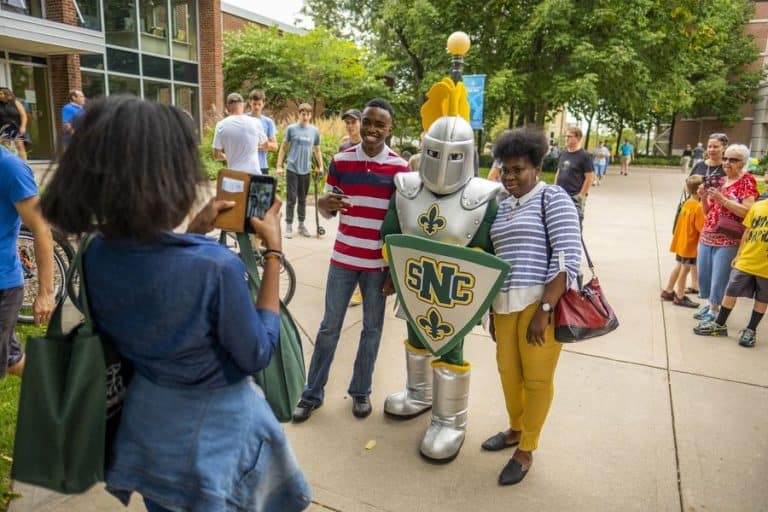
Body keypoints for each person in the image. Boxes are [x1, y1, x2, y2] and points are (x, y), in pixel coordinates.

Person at [41, 96, 310, 512]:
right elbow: (256, 351)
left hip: (149, 431)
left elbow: (156, 285)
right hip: (217, 441)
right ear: (165, 174)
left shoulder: (95, 254)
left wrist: (195, 232)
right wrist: (273, 253)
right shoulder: (214, 267)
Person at [379, 80, 500, 463]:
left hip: (455, 294)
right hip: (414, 286)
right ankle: (419, 394)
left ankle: (451, 419)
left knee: (450, 345)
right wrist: (390, 273)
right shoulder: (406, 187)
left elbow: (489, 254)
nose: (442, 161)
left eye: (452, 155)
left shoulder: (482, 197)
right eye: (434, 152)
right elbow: (391, 235)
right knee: (416, 333)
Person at [291, 98, 408, 423]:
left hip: (377, 265)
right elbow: (329, 210)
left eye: (379, 124)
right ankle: (311, 394)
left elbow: (401, 223)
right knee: (329, 328)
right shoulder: (341, 161)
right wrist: (323, 204)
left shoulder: (400, 169)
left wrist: (393, 273)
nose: (371, 129)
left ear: (389, 128)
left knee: (372, 329)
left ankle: (361, 392)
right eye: (367, 122)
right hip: (343, 259)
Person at [483, 127, 581, 485]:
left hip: (539, 305)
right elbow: (494, 258)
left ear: (536, 167)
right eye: (505, 170)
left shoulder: (552, 198)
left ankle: (526, 449)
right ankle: (514, 427)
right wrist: (491, 311)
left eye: (518, 169)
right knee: (509, 374)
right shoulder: (502, 204)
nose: (510, 177)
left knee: (536, 379)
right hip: (504, 306)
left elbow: (567, 257)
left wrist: (544, 310)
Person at [0, 145, 54, 379]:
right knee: (11, 359)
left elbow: (41, 229)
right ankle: (62, 393)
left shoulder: (10, 168)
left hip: (2, 286)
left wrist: (46, 293)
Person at [691, 143, 759, 324]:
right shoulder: (720, 180)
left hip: (728, 239)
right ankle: (711, 305)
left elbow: (749, 212)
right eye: (726, 158)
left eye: (733, 160)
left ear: (743, 162)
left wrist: (723, 200)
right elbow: (708, 212)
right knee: (705, 274)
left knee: (719, 277)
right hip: (707, 235)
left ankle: (715, 311)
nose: (727, 162)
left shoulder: (747, 181)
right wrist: (704, 197)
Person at [693, 194, 768, 347]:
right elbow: (747, 232)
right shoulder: (758, 206)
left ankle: (750, 330)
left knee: (762, 298)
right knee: (731, 290)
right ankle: (719, 324)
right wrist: (739, 254)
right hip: (747, 259)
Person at [277, 103, 324, 238]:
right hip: (292, 168)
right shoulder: (291, 129)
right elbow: (284, 147)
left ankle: (301, 225)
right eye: (303, 114)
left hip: (306, 170)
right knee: (291, 198)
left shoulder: (314, 131)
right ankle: (289, 225)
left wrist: (321, 166)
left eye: (308, 114)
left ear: (310, 115)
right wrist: (279, 165)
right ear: (299, 114)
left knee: (302, 199)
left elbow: (317, 150)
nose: (306, 116)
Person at [660, 175, 705, 308]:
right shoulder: (698, 207)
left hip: (682, 243)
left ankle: (668, 290)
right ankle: (680, 296)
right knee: (685, 270)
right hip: (690, 245)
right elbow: (701, 227)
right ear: (699, 190)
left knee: (679, 266)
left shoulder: (687, 203)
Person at [337, 108, 365, 307]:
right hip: (347, 201)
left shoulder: (368, 145)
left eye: (353, 122)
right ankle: (350, 285)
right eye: (347, 122)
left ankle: (360, 290)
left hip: (364, 201)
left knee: (362, 247)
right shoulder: (343, 145)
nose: (350, 125)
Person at [212, 92, 267, 175]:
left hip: (235, 176)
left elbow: (216, 155)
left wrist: (228, 156)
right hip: (254, 175)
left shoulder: (221, 125)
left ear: (227, 107)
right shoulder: (256, 122)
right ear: (243, 105)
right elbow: (265, 145)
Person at [555, 126, 594, 224]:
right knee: (559, 223)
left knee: (575, 224)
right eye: (566, 136)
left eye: (569, 136)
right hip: (561, 195)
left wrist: (580, 196)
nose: (566, 138)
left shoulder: (585, 156)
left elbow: (589, 178)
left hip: (575, 196)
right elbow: (558, 172)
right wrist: (554, 189)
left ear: (578, 138)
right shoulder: (563, 153)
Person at [247, 89, 278, 175]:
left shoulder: (268, 122)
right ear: (250, 103)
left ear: (263, 104)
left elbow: (275, 147)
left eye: (259, 104)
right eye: (254, 104)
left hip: (262, 166)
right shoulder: (243, 119)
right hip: (245, 166)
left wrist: (259, 146)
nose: (256, 107)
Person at [0, 87, 28, 160]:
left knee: (20, 146)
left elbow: (23, 115)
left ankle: (23, 165)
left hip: (16, 127)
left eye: (1, 93)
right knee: (6, 148)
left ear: (6, 94)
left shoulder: (15, 102)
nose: (0, 95)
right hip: (4, 128)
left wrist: (23, 126)